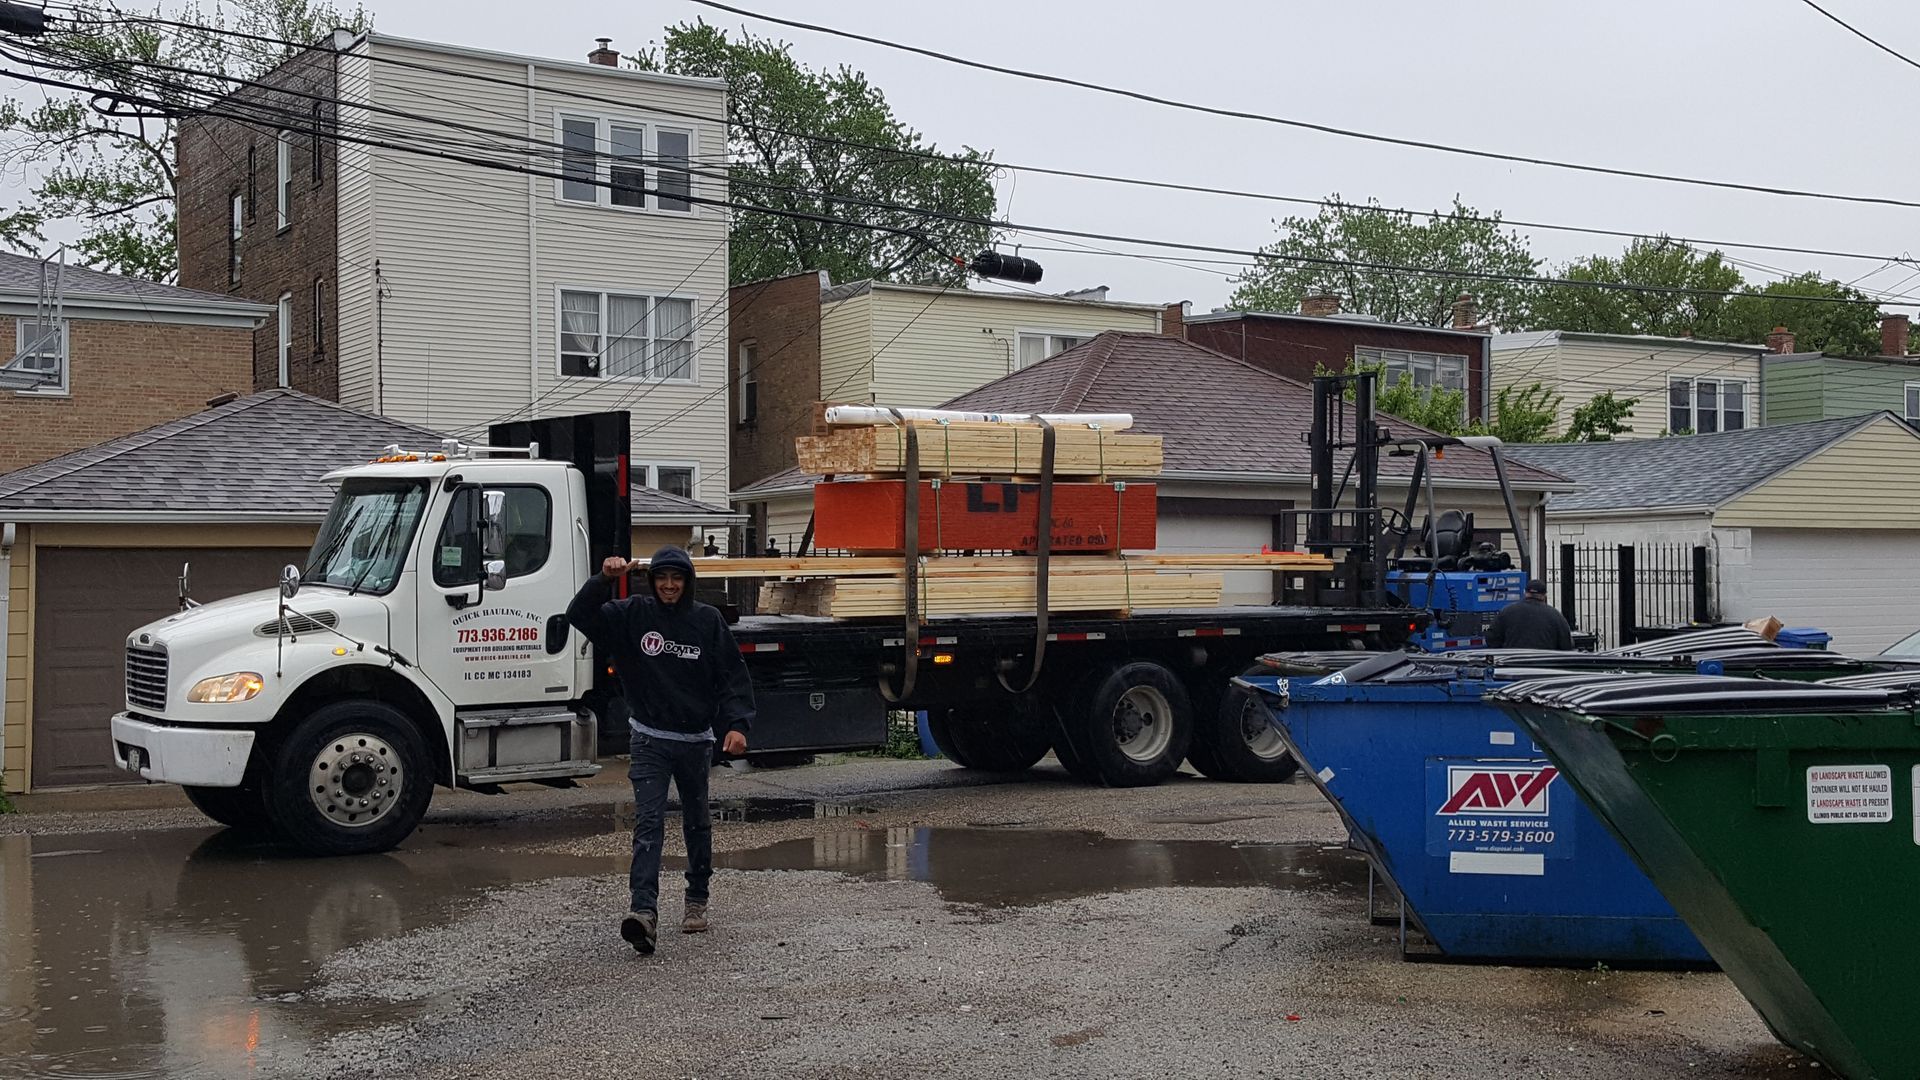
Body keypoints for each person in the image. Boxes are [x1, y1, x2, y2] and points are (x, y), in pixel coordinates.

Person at [567, 546, 755, 955]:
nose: (669, 585)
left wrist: (738, 725)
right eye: (662, 578)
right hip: (649, 738)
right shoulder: (631, 615)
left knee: (696, 822)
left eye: (677, 578)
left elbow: (732, 675)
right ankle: (643, 913)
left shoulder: (707, 621)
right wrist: (602, 579)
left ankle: (696, 900)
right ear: (652, 582)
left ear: (687, 582)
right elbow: (578, 615)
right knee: (648, 823)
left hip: (695, 742)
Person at [1486, 578, 1574, 650]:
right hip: (1545, 666)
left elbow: (1492, 639)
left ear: (1525, 592)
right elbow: (1566, 645)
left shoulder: (1506, 612)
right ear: (1544, 595)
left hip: (1513, 665)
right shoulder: (1555, 615)